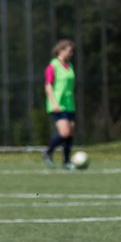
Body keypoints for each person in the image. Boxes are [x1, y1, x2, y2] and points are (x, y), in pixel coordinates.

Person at [43, 38, 77, 169]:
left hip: (69, 104)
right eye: (69, 51)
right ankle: (48, 152)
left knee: (70, 133)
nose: (71, 54)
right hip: (57, 104)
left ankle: (66, 161)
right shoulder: (53, 66)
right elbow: (48, 86)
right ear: (61, 51)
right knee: (64, 132)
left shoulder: (70, 66)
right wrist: (54, 103)